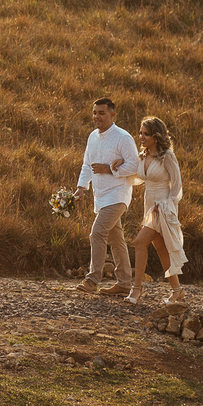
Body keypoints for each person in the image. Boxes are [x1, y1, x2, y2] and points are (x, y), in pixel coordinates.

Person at [114, 116, 187, 305]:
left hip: (162, 208)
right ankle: (178, 291)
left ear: (156, 136)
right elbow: (135, 174)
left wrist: (167, 205)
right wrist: (119, 164)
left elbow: (177, 185)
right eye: (140, 133)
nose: (141, 137)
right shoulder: (143, 156)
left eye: (146, 134)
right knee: (161, 249)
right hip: (149, 206)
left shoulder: (167, 156)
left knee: (139, 242)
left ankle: (136, 289)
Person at [73, 98, 138, 295]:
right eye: (94, 113)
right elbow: (87, 165)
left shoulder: (123, 138)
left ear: (112, 115)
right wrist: (81, 187)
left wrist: (108, 169)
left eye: (101, 113)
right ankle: (125, 283)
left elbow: (135, 166)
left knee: (97, 232)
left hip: (118, 195)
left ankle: (92, 280)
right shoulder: (92, 137)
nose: (96, 117)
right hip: (100, 196)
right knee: (116, 240)